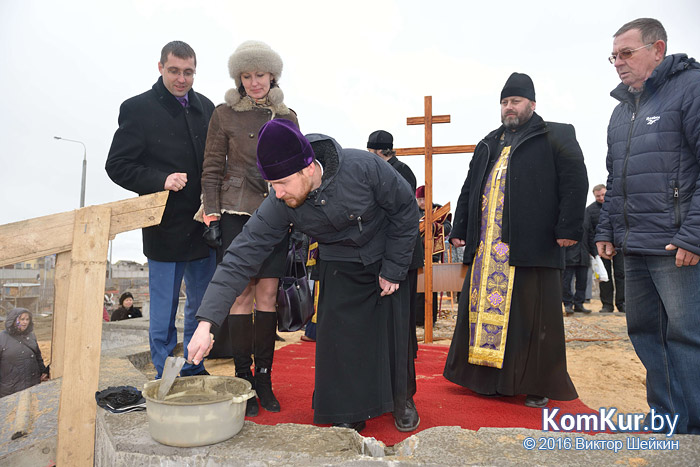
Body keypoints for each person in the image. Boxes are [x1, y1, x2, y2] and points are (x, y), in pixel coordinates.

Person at [188, 119, 420, 433]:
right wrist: (207, 323)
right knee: (339, 337)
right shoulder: (280, 201)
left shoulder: (363, 166)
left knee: (394, 331)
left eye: (282, 183)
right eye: (272, 185)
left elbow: (405, 209)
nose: (277, 193)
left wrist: (393, 269)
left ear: (308, 169)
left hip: (390, 247)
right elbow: (239, 257)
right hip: (340, 259)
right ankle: (348, 407)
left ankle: (401, 399)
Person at [444, 72, 588, 408]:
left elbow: (575, 180)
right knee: (483, 314)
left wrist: (568, 228)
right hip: (487, 251)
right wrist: (460, 229)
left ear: (532, 104)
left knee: (534, 318)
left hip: (531, 245)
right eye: (505, 102)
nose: (510, 107)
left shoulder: (556, 134)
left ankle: (537, 384)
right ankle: (485, 380)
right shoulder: (488, 142)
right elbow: (470, 188)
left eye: (516, 101)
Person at [596, 18, 700, 434]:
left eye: (627, 53)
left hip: (677, 247)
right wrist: (605, 229)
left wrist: (694, 234)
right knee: (645, 333)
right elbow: (615, 178)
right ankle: (666, 416)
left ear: (657, 50)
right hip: (635, 245)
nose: (618, 63)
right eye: (613, 56)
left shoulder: (690, 89)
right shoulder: (621, 112)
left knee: (687, 336)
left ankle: (692, 427)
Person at [198, 41, 298, 416]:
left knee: (268, 296)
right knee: (240, 296)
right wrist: (210, 214)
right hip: (234, 211)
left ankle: (266, 380)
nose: (255, 82)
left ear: (272, 75)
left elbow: (299, 168)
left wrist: (298, 218)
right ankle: (244, 380)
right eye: (247, 76)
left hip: (274, 211)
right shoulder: (223, 114)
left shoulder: (287, 116)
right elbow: (211, 166)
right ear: (239, 79)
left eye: (260, 75)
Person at [105, 41, 216, 379]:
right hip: (164, 226)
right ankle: (164, 373)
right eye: (174, 71)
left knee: (202, 307)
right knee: (164, 311)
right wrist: (160, 179)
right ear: (160, 67)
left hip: (204, 225)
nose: (181, 79)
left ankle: (194, 368)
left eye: (188, 72)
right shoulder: (137, 108)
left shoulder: (208, 108)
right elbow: (117, 165)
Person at [367, 129, 423, 358]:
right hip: (383, 250)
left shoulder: (403, 172)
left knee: (403, 309)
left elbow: (402, 213)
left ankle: (405, 351)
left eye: (371, 151)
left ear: (379, 151)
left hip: (403, 252)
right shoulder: (376, 169)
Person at [415, 185, 452, 326]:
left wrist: (433, 227)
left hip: (432, 255)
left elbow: (448, 227)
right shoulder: (411, 210)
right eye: (419, 199)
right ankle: (416, 319)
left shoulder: (438, 210)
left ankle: (430, 319)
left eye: (424, 199)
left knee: (431, 288)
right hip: (415, 254)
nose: (422, 202)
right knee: (416, 288)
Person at [586, 184, 624, 313]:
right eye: (598, 196)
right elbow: (589, 232)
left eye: (603, 195)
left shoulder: (617, 206)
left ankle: (622, 303)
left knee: (621, 274)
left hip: (619, 246)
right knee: (604, 277)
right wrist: (593, 251)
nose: (601, 198)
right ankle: (607, 305)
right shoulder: (590, 211)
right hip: (600, 249)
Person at [0, 308, 49, 398]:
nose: (25, 322)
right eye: (22, 319)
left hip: (32, 387)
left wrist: (43, 372)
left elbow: (38, 357)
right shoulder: (2, 338)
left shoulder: (31, 336)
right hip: (10, 391)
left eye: (27, 319)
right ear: (13, 320)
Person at [562, 211, 595, 314]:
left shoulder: (587, 214)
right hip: (569, 254)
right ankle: (567, 304)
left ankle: (579, 304)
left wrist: (594, 253)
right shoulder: (565, 213)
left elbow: (590, 234)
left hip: (584, 254)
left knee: (582, 281)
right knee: (566, 281)